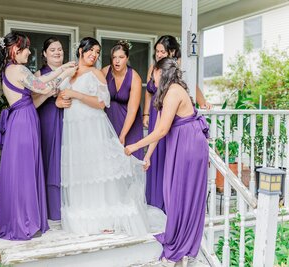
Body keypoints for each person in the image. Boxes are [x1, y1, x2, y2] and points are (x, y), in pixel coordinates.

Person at [59, 37, 150, 236]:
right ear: (81, 50)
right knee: (81, 169)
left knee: (99, 169)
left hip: (93, 124)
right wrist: (59, 100)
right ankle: (83, 210)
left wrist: (75, 95)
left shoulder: (97, 73)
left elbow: (102, 103)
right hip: (73, 127)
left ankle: (105, 214)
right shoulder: (71, 72)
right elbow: (59, 94)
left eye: (97, 52)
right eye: (91, 50)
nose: (94, 55)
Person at [0, 32, 76, 240]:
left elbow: (40, 81)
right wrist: (64, 75)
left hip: (19, 120)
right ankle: (25, 221)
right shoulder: (18, 69)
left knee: (19, 170)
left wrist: (62, 69)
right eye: (26, 48)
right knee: (25, 171)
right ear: (15, 50)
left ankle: (19, 218)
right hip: (24, 122)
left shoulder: (8, 70)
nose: (30, 52)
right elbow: (43, 86)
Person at [125, 57, 209, 266]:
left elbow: (162, 131)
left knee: (183, 194)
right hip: (180, 143)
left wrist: (135, 146)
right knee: (172, 192)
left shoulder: (173, 91)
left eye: (153, 72)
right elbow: (158, 130)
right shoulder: (166, 93)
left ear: (160, 73)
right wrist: (147, 155)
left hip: (189, 145)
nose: (151, 76)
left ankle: (181, 248)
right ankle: (179, 240)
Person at [144, 35, 212, 211]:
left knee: (169, 157)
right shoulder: (154, 68)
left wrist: (203, 101)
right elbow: (149, 93)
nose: (158, 54)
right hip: (155, 113)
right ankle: (155, 202)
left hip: (171, 116)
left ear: (171, 52)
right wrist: (145, 113)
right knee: (155, 154)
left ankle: (169, 204)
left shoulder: (177, 70)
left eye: (162, 51)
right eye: (157, 51)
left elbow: (191, 86)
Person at [33, 37, 71, 221]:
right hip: (48, 118)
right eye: (53, 50)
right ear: (44, 54)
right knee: (51, 159)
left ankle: (69, 205)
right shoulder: (40, 74)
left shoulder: (72, 72)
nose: (57, 52)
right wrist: (53, 99)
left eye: (60, 49)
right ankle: (52, 208)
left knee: (68, 158)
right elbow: (32, 101)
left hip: (70, 118)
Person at [101, 40, 144, 159]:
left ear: (127, 58)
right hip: (109, 121)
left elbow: (132, 110)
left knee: (129, 159)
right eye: (114, 57)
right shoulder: (104, 72)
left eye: (121, 57)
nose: (117, 61)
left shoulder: (135, 78)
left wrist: (122, 134)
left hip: (129, 124)